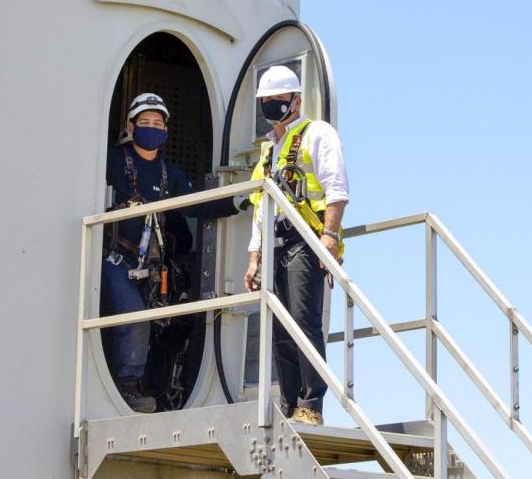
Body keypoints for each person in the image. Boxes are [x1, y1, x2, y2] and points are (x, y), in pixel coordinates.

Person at [102, 92, 243, 413]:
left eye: (157, 124)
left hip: (151, 268)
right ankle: (126, 387)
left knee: (157, 325)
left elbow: (198, 206)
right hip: (115, 259)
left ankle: (146, 386)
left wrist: (238, 201)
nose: (151, 128)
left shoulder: (171, 175)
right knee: (134, 319)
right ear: (130, 126)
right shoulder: (111, 162)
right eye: (145, 123)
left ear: (166, 131)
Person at [243, 66, 349, 426]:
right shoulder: (269, 149)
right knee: (280, 328)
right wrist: (254, 256)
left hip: (307, 239)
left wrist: (329, 237)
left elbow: (337, 190)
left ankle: (310, 404)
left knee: (304, 321)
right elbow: (261, 206)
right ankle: (290, 404)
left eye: (278, 101)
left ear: (296, 100)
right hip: (274, 242)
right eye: (266, 102)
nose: (271, 106)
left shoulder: (317, 134)